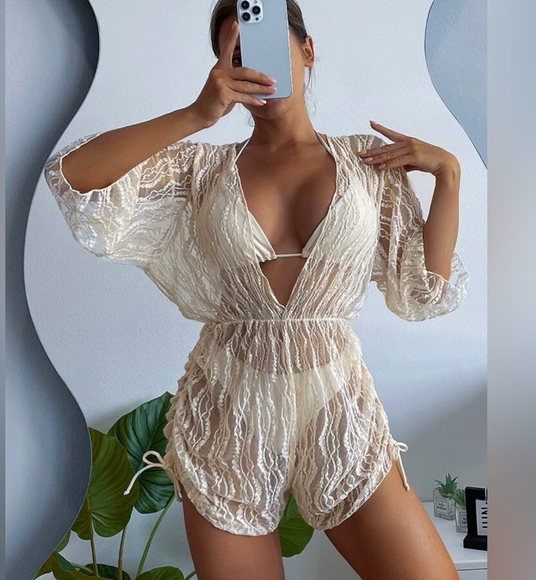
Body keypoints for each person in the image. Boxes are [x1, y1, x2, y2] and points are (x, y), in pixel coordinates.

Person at [44, 0, 469, 577]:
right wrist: (197, 114)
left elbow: (423, 292)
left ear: (307, 49)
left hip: (337, 408)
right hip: (227, 410)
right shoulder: (201, 169)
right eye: (238, 54)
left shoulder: (369, 164)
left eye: (269, 46)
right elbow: (72, 177)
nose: (256, 66)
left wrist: (449, 175)